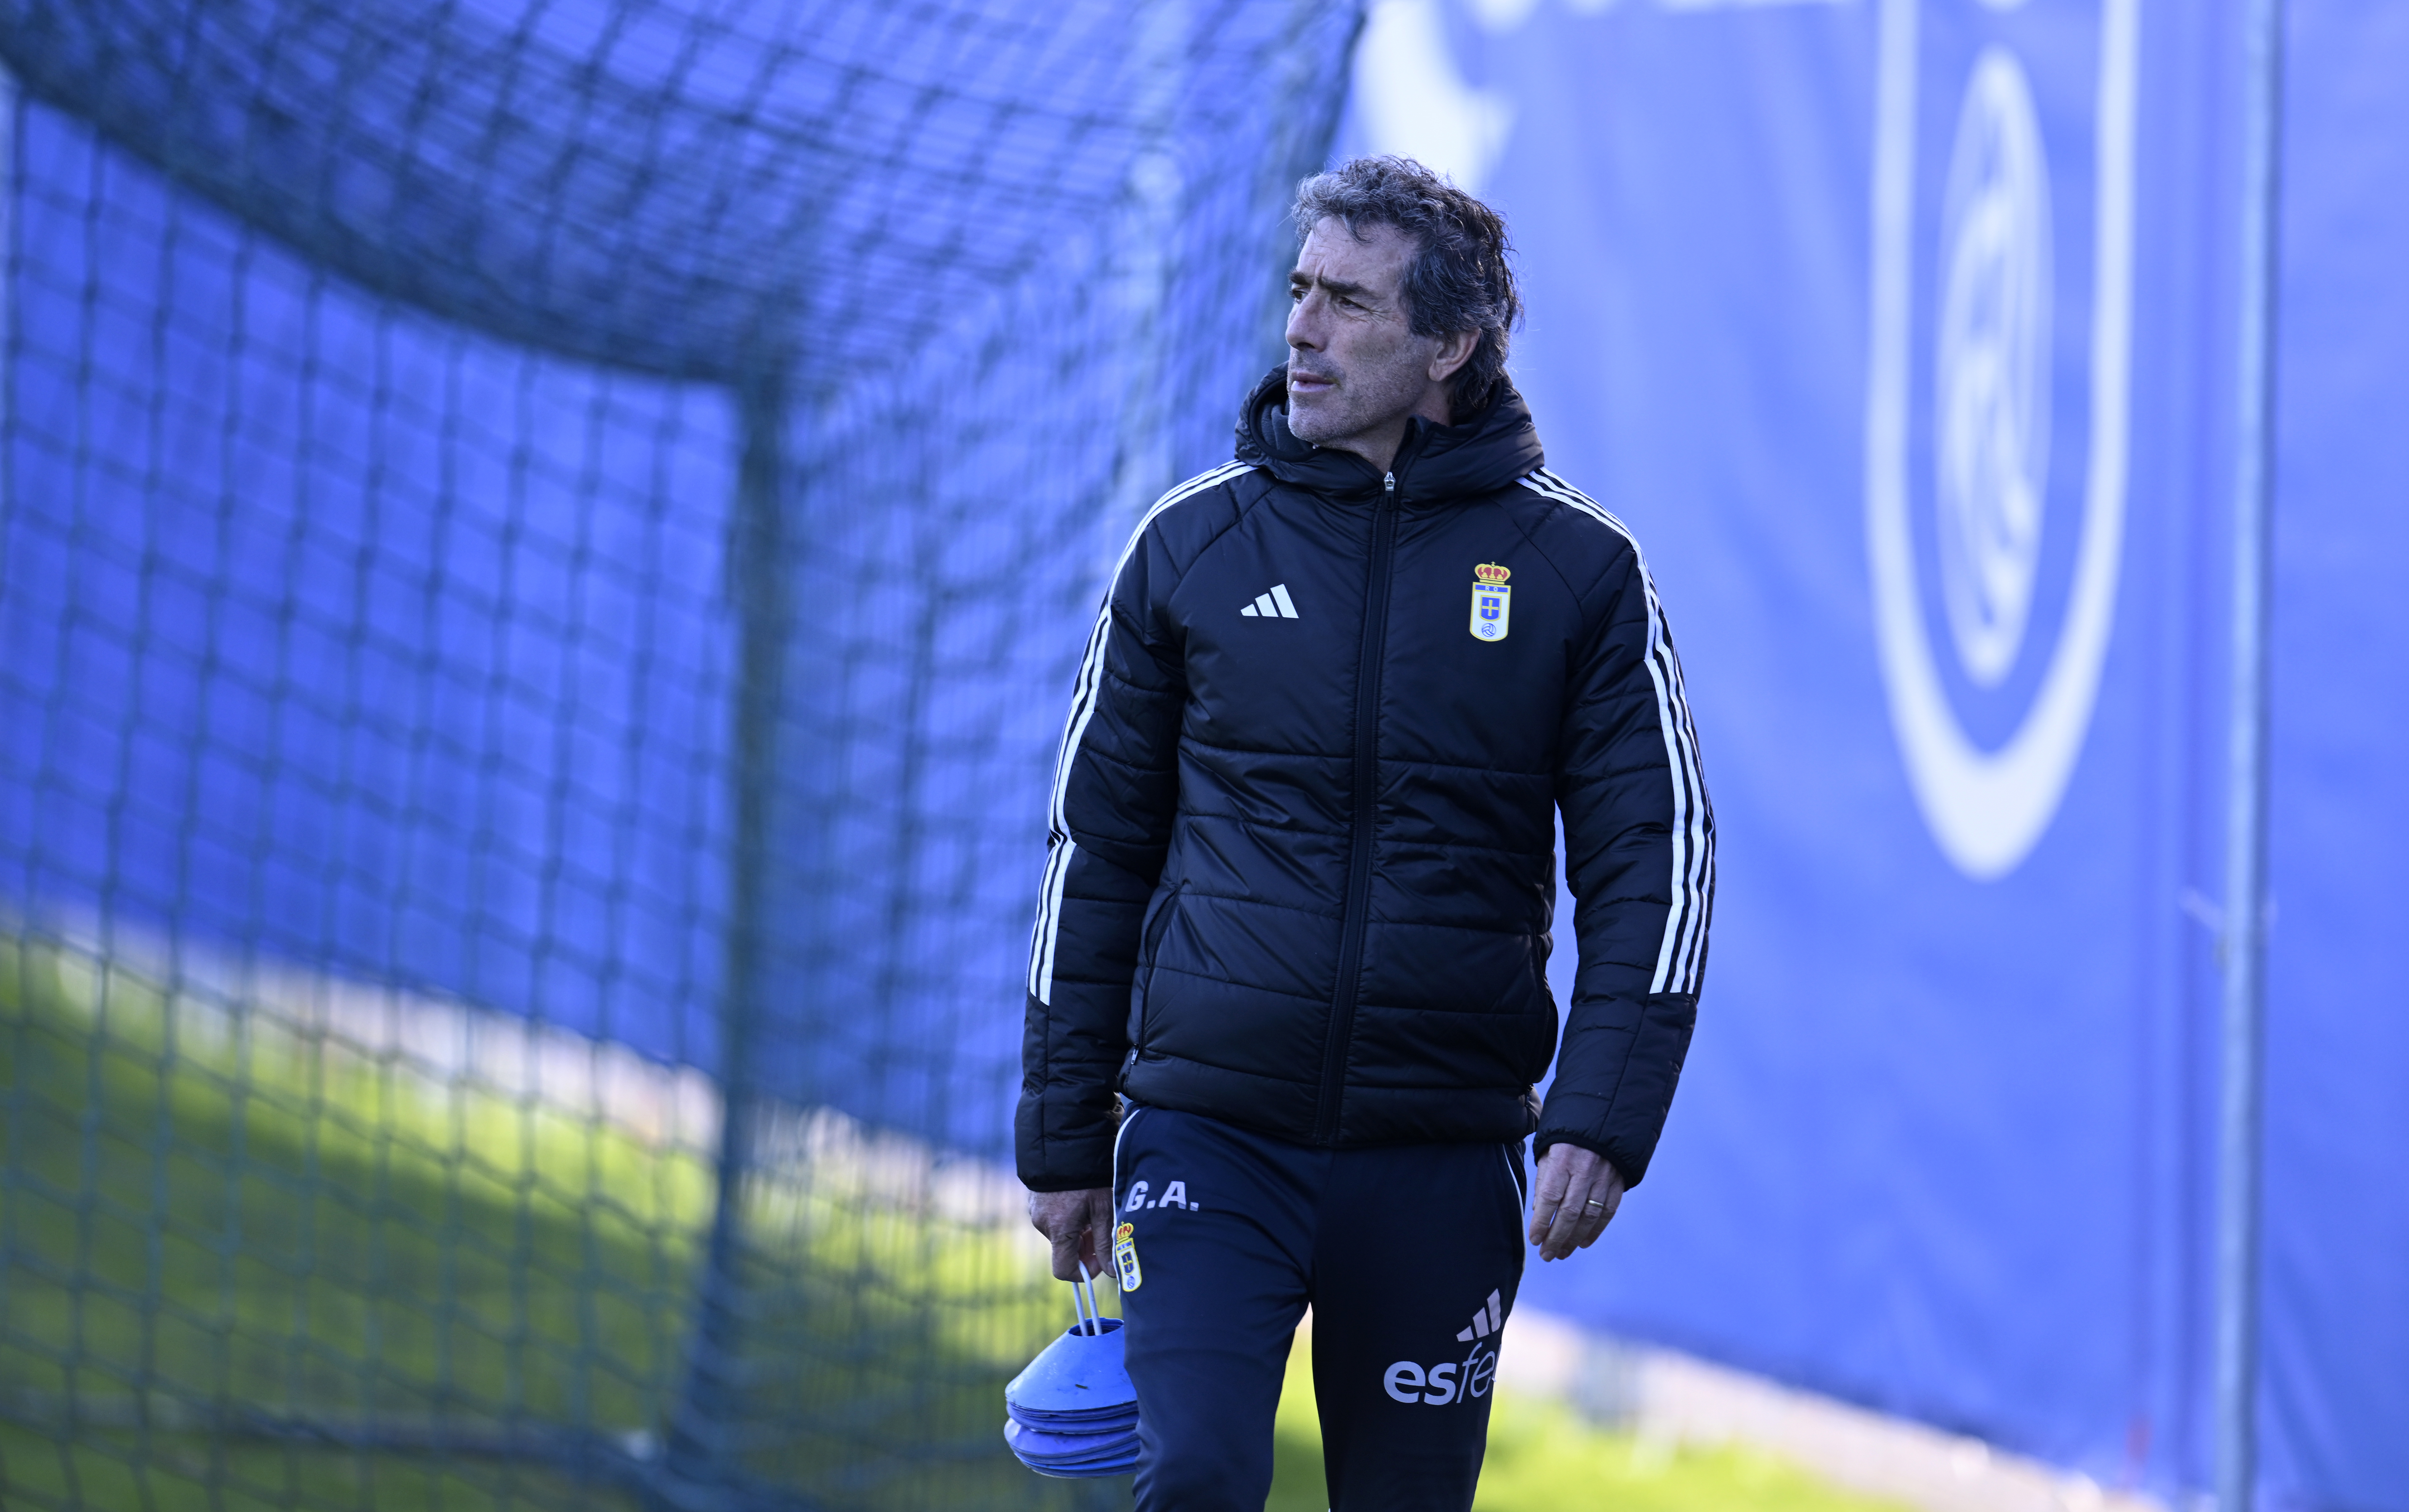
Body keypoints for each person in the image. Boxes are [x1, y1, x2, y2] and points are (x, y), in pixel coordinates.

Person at [1017, 155, 1713, 1512]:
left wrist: (1602, 1117)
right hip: (1206, 1138)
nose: (1302, 329)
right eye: (1300, 290)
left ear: (1447, 345)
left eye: (1347, 302)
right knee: (1197, 1473)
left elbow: (1657, 860)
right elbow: (1092, 853)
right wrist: (1062, 1131)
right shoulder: (1191, 546)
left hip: (1441, 1158)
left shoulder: (1580, 572)